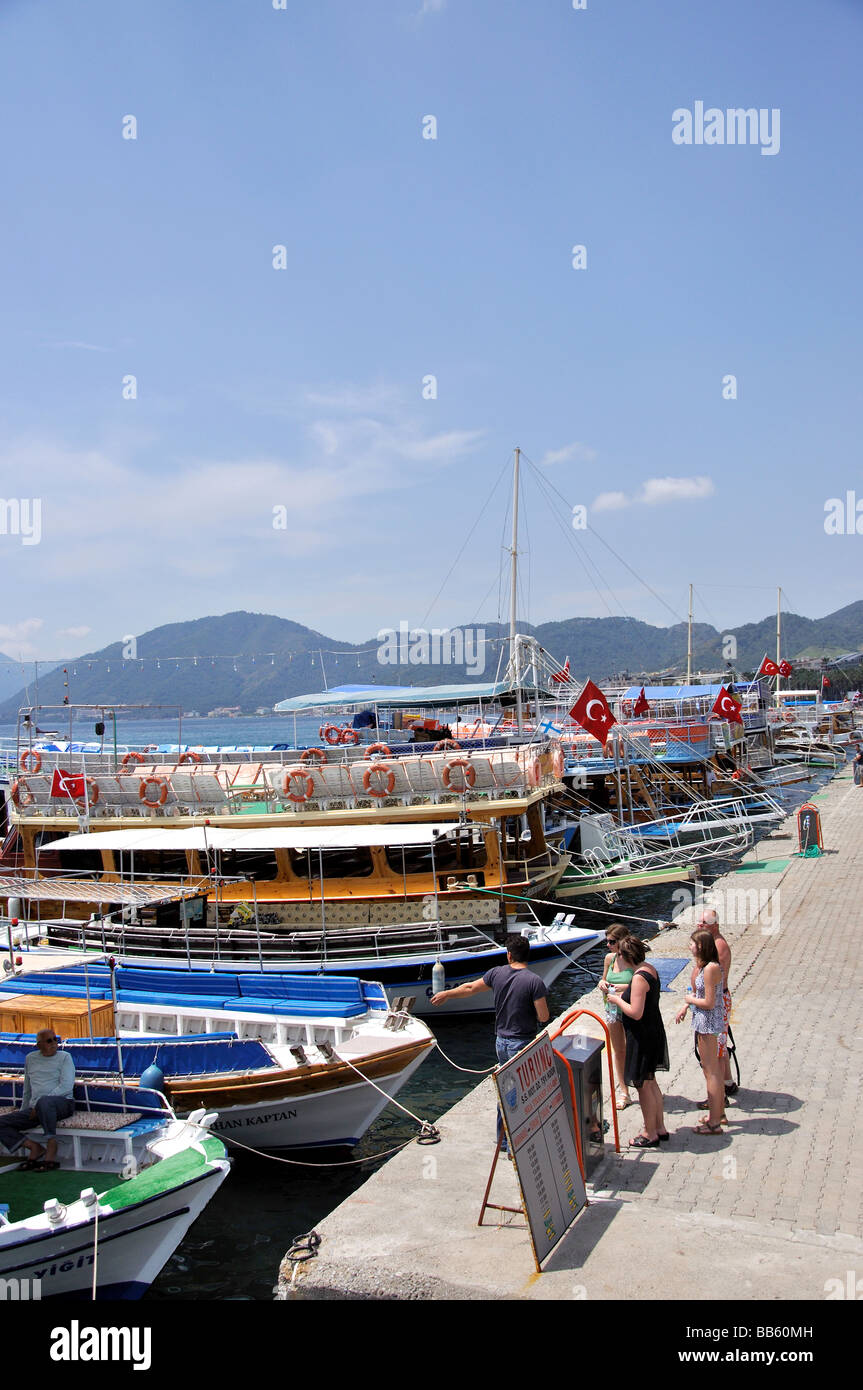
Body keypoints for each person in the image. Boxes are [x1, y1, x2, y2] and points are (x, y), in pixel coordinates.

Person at [431, 934, 550, 1152]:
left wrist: (446, 993)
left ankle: (503, 1139)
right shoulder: (534, 981)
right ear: (527, 955)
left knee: (506, 1090)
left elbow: (469, 988)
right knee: (521, 1092)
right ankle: (518, 1141)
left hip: (501, 1042)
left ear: (509, 955)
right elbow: (543, 1017)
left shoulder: (496, 973)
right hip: (521, 1042)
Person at [606, 935, 669, 1147]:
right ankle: (659, 1127)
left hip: (642, 1036)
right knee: (651, 1083)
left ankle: (649, 1132)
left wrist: (615, 1000)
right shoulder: (649, 968)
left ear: (626, 956)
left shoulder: (639, 978)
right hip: (652, 1031)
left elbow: (635, 1012)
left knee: (643, 1086)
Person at [0, 1029, 76, 1170]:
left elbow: (66, 1086)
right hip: (36, 1107)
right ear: (39, 1045)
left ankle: (51, 1145)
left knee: (44, 1102)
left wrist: (38, 1105)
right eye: (49, 1041)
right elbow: (27, 1089)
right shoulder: (30, 1058)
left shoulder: (65, 1057)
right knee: (1, 1123)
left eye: (55, 1039)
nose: (54, 1043)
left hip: (63, 1103)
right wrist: (25, 1111)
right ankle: (34, 1147)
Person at [676, 931, 726, 1135]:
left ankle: (715, 1122)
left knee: (711, 1071)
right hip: (703, 1021)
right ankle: (717, 1113)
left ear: (701, 946)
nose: (690, 946)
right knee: (708, 1069)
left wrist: (689, 1000)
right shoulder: (705, 967)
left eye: (693, 943)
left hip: (708, 1023)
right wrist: (686, 1007)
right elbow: (700, 994)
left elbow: (708, 1002)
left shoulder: (710, 969)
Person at [692, 908, 735, 1096]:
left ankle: (718, 1097)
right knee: (720, 1046)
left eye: (703, 924)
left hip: (715, 1003)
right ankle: (727, 1083)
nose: (699, 926)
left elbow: (714, 979)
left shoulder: (718, 946)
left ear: (715, 926)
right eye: (698, 922)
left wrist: (692, 998)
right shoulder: (710, 945)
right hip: (711, 1001)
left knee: (714, 1053)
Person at [597, 923, 634, 1109]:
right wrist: (602, 984)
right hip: (612, 1010)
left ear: (622, 941)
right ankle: (624, 1091)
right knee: (618, 1051)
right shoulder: (609, 959)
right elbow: (604, 979)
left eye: (612, 942)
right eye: (607, 941)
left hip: (630, 1010)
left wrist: (622, 988)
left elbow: (644, 983)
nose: (608, 945)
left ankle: (642, 1083)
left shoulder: (634, 961)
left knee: (635, 1049)